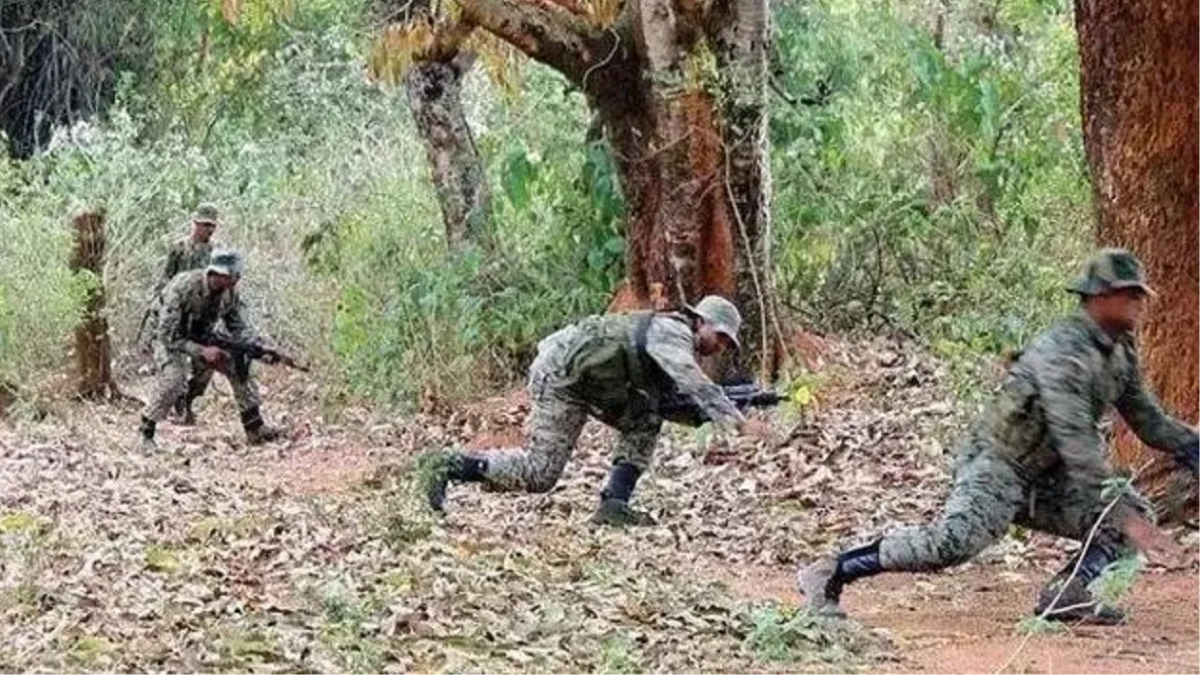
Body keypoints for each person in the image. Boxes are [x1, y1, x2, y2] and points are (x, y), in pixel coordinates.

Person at [797, 248, 1199, 624]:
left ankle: (1069, 592)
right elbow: (1077, 443)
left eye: (1139, 294)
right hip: (1000, 465)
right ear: (1099, 297)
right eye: (1129, 294)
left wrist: (1192, 445)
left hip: (1049, 476)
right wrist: (1127, 521)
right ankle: (832, 570)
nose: (1138, 302)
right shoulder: (1064, 353)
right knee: (950, 544)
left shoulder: (1119, 351)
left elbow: (1149, 421)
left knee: (1129, 513)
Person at [420, 295, 772, 526]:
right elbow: (692, 381)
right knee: (540, 473)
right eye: (720, 336)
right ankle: (447, 465)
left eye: (727, 344)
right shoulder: (671, 332)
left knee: (646, 419)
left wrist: (711, 412)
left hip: (591, 385)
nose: (721, 346)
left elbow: (670, 405)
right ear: (700, 321)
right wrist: (737, 422)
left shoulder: (674, 339)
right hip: (560, 378)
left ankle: (614, 505)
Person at [138, 249, 283, 452]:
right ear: (219, 274)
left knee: (239, 366)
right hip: (166, 336)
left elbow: (240, 328)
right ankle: (146, 432)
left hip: (200, 336)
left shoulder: (230, 294)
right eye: (234, 274)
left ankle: (254, 428)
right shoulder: (183, 287)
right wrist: (200, 351)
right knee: (174, 378)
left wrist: (259, 348)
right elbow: (167, 335)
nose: (238, 278)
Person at [143, 203, 222, 424]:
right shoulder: (179, 248)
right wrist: (157, 306)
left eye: (212, 225)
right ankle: (176, 405)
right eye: (205, 224)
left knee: (206, 366)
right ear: (195, 223)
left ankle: (188, 401)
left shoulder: (216, 252)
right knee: (175, 363)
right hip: (176, 312)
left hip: (202, 316)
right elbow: (166, 278)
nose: (209, 229)